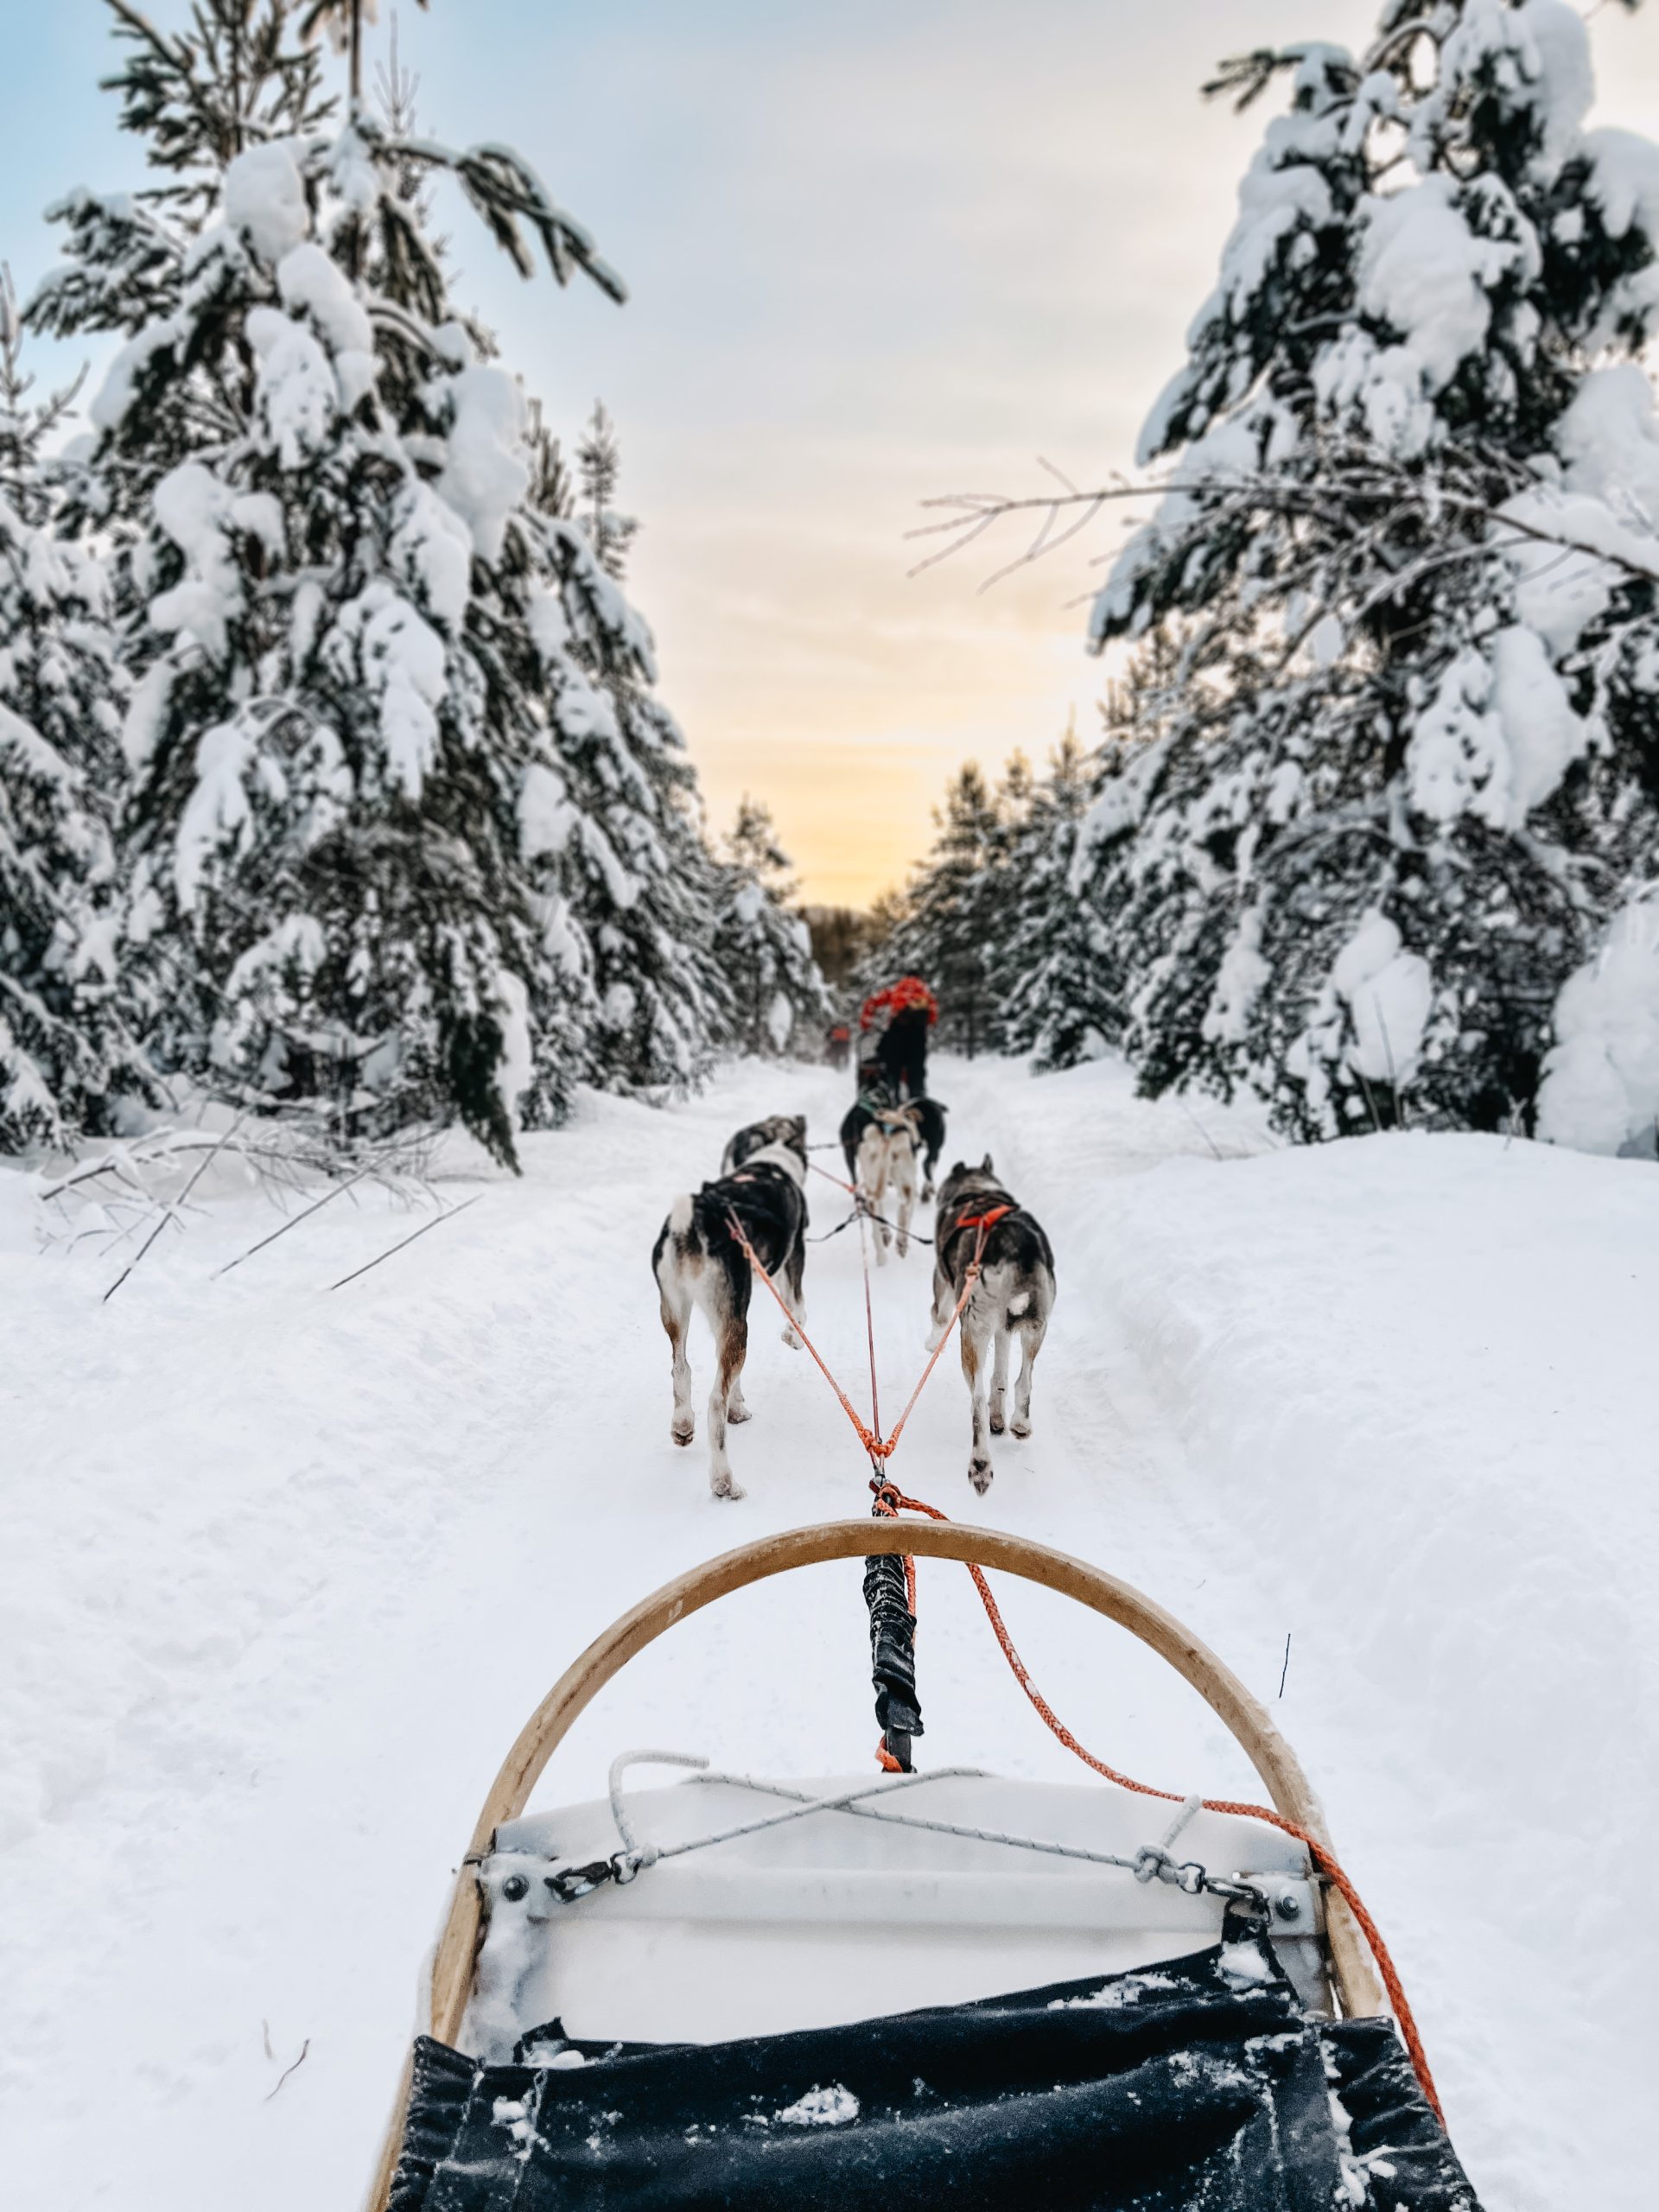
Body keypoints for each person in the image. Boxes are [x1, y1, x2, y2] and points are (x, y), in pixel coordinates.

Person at [859, 975, 938, 1101]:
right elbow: (933, 1017)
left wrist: (866, 1023)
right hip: (917, 1036)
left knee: (892, 1067)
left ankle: (891, 1093)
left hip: (897, 1034)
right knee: (916, 1069)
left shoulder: (896, 990)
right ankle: (917, 1097)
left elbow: (873, 1002)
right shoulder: (924, 992)